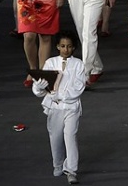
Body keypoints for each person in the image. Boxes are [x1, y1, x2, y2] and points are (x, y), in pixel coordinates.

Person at [32, 30, 85, 184]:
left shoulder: (78, 64)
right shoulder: (50, 63)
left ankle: (71, 170)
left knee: (70, 136)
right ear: (57, 46)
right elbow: (40, 87)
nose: (65, 49)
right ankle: (58, 164)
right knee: (55, 137)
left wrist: (61, 95)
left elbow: (79, 87)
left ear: (73, 48)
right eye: (62, 46)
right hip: (54, 108)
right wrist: (40, 87)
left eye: (69, 46)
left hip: (71, 107)